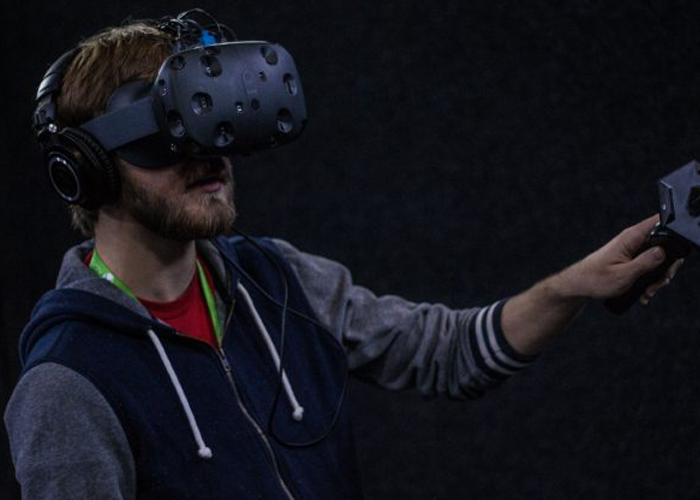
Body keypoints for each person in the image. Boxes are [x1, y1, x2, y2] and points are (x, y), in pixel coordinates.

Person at [4, 16, 682, 500]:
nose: (208, 155)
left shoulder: (276, 280)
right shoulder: (68, 384)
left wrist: (573, 286)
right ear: (84, 171)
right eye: (167, 136)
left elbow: (446, 353)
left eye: (213, 122)